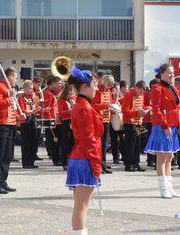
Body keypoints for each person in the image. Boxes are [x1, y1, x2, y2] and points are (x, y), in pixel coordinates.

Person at [65, 67, 103, 234]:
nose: (97, 88)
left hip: (81, 158)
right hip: (85, 159)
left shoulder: (83, 105)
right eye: (94, 85)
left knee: (81, 206)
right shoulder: (84, 107)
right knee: (82, 207)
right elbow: (89, 140)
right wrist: (96, 165)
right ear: (85, 87)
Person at [144, 63, 180, 199]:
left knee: (170, 157)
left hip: (173, 125)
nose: (172, 75)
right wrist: (165, 126)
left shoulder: (173, 88)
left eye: (173, 72)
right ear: (161, 74)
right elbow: (156, 109)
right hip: (162, 126)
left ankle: (170, 187)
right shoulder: (157, 88)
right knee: (162, 158)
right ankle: (163, 188)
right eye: (169, 73)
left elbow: (177, 108)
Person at [0, 67, 25, 194]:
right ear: (9, 77)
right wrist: (11, 97)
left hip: (10, 123)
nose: (16, 80)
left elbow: (12, 108)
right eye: (15, 77)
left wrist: (18, 117)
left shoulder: (11, 90)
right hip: (1, 124)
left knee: (7, 155)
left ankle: (2, 181)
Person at [121, 80, 148, 172]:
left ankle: (136, 163)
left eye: (142, 92)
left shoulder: (142, 95)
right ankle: (129, 164)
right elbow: (125, 110)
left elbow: (140, 106)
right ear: (136, 87)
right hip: (130, 122)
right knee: (130, 144)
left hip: (139, 122)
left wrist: (145, 108)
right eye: (140, 91)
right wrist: (137, 112)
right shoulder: (128, 95)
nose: (141, 94)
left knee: (138, 144)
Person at [92, 74, 115, 174]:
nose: (109, 87)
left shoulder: (109, 91)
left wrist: (114, 107)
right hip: (99, 120)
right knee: (99, 144)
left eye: (111, 85)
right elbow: (93, 105)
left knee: (104, 144)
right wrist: (105, 105)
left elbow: (110, 102)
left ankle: (103, 164)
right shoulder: (97, 91)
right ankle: (98, 165)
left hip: (107, 119)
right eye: (108, 84)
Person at [17, 80, 40, 169]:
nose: (31, 90)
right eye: (30, 89)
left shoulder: (32, 97)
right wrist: (33, 111)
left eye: (32, 88)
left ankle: (31, 161)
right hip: (25, 122)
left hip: (33, 120)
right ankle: (26, 163)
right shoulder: (21, 98)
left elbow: (36, 107)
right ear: (25, 89)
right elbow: (22, 110)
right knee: (26, 143)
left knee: (34, 141)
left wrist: (40, 109)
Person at [43, 76, 62, 166]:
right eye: (58, 83)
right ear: (53, 84)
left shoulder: (58, 93)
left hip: (58, 118)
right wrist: (50, 120)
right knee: (55, 140)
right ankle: (56, 159)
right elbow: (48, 108)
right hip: (52, 119)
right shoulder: (48, 94)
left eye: (61, 83)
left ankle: (59, 157)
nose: (60, 85)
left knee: (59, 139)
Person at [58, 83, 75, 170]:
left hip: (73, 122)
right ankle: (64, 162)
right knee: (66, 143)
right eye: (69, 94)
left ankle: (71, 161)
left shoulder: (73, 100)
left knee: (72, 143)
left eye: (71, 93)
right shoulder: (61, 100)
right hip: (65, 122)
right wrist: (70, 110)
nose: (70, 95)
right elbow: (60, 113)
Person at [143, 78, 160, 168]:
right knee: (150, 139)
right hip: (149, 120)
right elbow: (142, 105)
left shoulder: (159, 93)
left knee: (158, 140)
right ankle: (150, 159)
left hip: (157, 120)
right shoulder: (146, 94)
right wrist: (148, 107)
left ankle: (156, 160)